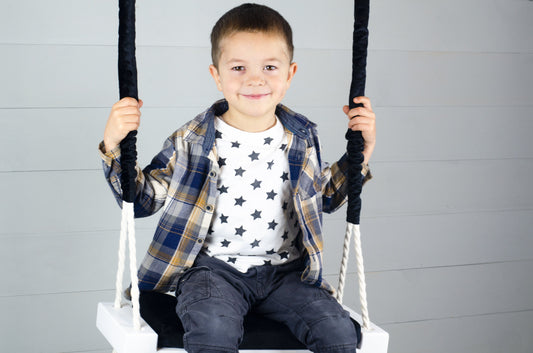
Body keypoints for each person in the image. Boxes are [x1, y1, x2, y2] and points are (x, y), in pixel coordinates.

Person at [100, 3, 376, 353]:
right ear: (217, 75)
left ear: (290, 74)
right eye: (239, 67)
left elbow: (323, 199)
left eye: (270, 67)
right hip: (213, 273)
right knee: (212, 332)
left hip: (288, 275)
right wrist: (113, 145)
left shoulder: (302, 138)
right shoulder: (191, 141)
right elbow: (141, 201)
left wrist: (361, 152)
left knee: (338, 333)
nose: (255, 79)